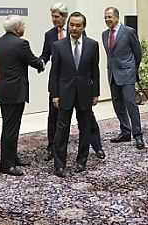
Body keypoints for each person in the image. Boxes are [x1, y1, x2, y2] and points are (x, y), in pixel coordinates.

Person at [39, 4, 105, 161]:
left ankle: (96, 147)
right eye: (52, 17)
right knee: (56, 119)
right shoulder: (50, 35)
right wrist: (40, 62)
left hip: (82, 88)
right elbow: (46, 55)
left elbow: (91, 65)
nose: (54, 20)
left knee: (88, 121)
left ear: (64, 16)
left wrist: (95, 92)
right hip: (61, 85)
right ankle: (52, 149)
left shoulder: (86, 39)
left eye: (57, 16)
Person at [0, 15, 44, 176]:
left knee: (10, 126)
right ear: (17, 28)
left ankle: (12, 157)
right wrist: (41, 63)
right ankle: (7, 164)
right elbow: (34, 61)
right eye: (23, 25)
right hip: (15, 92)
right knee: (11, 128)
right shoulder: (21, 44)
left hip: (3, 90)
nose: (24, 27)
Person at [50, 12, 100, 177]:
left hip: (85, 93)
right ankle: (59, 164)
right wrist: (55, 94)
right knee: (62, 129)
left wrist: (96, 93)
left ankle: (81, 161)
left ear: (84, 27)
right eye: (71, 24)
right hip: (65, 93)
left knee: (85, 128)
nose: (74, 28)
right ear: (68, 25)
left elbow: (95, 71)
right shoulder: (58, 46)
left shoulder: (92, 45)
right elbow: (54, 73)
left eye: (78, 25)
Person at [102, 7, 144, 149]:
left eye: (110, 17)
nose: (108, 20)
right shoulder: (104, 35)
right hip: (112, 74)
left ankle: (138, 135)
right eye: (105, 17)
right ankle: (125, 131)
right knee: (117, 104)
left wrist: (132, 69)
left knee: (130, 103)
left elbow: (137, 53)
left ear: (117, 17)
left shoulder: (128, 31)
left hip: (127, 73)